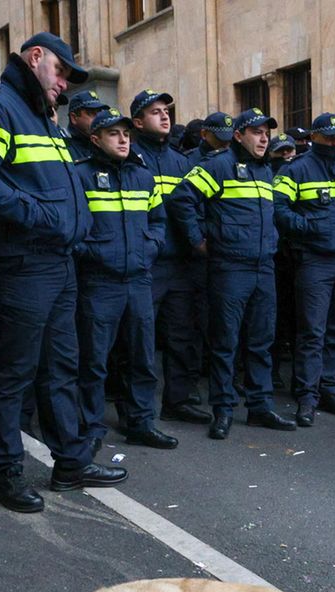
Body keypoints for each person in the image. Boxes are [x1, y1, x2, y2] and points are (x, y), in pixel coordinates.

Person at [0, 31, 127, 511]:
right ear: (36, 57)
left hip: (58, 262)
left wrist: (72, 223)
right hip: (20, 264)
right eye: (61, 72)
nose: (65, 84)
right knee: (13, 372)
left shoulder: (42, 115)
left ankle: (69, 463)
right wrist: (37, 216)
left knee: (60, 367)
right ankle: (5, 472)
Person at [169, 108, 296, 439]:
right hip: (229, 268)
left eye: (266, 131)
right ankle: (223, 410)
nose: (264, 137)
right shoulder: (219, 165)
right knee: (225, 343)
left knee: (261, 341)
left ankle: (260, 407)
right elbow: (182, 199)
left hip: (262, 266)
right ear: (238, 135)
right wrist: (198, 241)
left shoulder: (266, 171)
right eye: (256, 132)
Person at [70, 107, 176, 450]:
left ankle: (141, 422)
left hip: (139, 280)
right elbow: (72, 228)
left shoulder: (142, 176)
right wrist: (94, 254)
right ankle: (89, 428)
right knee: (94, 361)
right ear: (95, 139)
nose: (123, 140)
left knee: (142, 358)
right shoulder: (80, 175)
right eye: (114, 134)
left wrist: (152, 246)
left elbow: (159, 220)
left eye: (127, 134)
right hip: (99, 283)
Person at [271, 112, 335, 426]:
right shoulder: (297, 169)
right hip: (315, 261)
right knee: (312, 333)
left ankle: (329, 388)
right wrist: (307, 228)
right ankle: (307, 395)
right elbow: (278, 208)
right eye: (329, 137)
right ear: (314, 137)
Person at [129, 89, 210, 425]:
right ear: (137, 121)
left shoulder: (182, 161)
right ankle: (138, 411)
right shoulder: (129, 157)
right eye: (154, 112)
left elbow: (199, 207)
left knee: (182, 336)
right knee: (140, 340)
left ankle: (178, 400)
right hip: (146, 265)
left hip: (181, 264)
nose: (164, 116)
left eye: (166, 111)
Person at [62, 89, 108, 160]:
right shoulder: (64, 147)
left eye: (99, 113)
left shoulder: (103, 144)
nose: (98, 118)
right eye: (91, 113)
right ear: (74, 118)